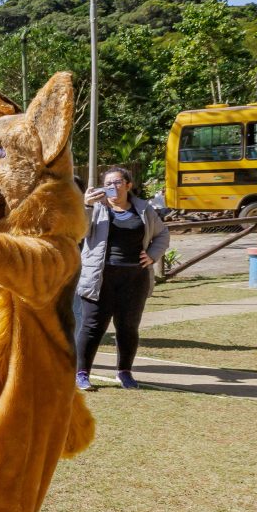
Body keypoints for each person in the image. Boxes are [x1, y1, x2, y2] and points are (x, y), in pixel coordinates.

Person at [75, 166, 170, 391]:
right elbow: (79, 232)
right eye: (108, 184)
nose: (113, 187)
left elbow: (162, 234)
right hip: (100, 276)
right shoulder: (96, 208)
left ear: (128, 185)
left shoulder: (144, 209)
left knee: (128, 326)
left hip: (134, 277)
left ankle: (124, 372)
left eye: (118, 182)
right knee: (92, 326)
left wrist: (152, 255)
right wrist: (86, 206)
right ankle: (81, 373)